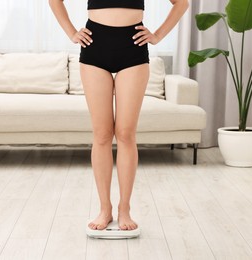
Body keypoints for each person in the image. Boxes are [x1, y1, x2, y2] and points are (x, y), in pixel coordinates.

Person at [49, 0, 189, 231]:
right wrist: (72, 33)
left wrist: (157, 35)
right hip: (95, 47)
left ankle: (125, 208)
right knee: (102, 134)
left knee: (125, 133)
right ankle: (105, 209)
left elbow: (181, 3)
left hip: (132, 49)